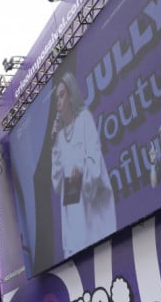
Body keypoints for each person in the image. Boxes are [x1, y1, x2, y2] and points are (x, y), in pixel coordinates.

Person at [50, 71, 116, 259]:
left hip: (92, 213)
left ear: (70, 96)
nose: (59, 101)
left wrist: (82, 170)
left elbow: (95, 159)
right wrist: (54, 144)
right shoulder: (61, 137)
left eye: (62, 95)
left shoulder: (85, 119)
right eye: (56, 98)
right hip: (72, 219)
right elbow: (57, 182)